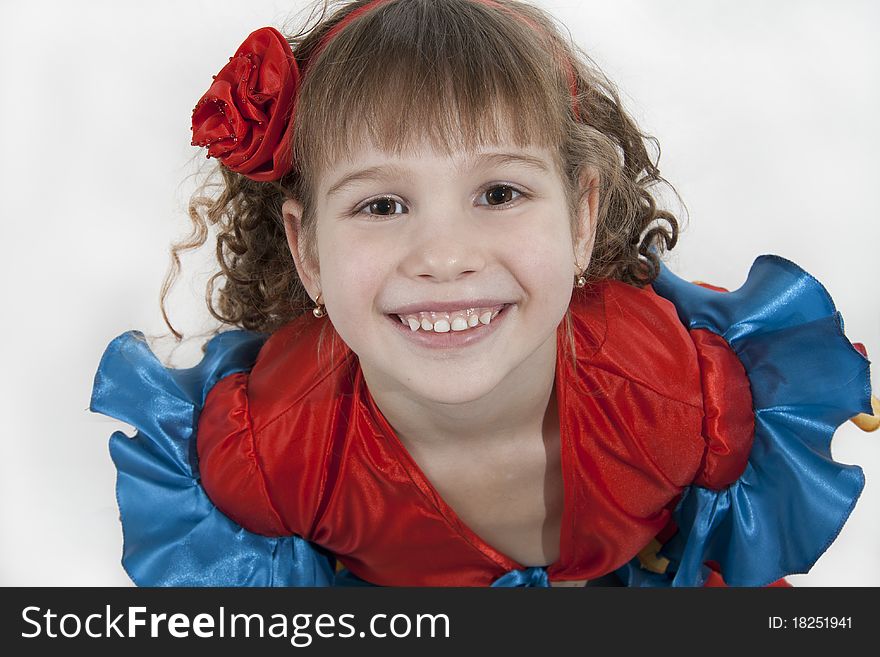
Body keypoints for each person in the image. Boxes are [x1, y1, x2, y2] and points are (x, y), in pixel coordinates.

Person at [90, 0, 877, 587]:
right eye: (382, 205)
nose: (444, 255)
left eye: (499, 193)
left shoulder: (675, 401)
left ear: (581, 218)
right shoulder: (272, 456)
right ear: (308, 251)